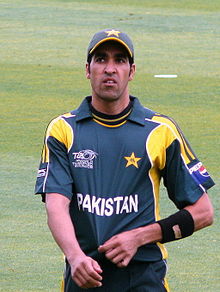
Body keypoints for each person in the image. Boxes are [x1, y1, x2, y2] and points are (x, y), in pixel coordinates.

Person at [35, 29, 215, 292]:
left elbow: (204, 213)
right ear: (88, 69)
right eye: (101, 59)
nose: (110, 68)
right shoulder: (63, 130)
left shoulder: (160, 131)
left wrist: (139, 237)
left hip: (144, 279)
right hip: (83, 275)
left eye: (119, 60)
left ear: (131, 71)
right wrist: (75, 257)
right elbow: (56, 205)